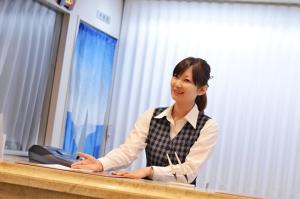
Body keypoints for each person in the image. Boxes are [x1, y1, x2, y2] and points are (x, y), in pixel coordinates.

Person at [71, 57, 218, 185]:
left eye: (186, 80)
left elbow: (189, 172)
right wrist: (101, 164)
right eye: (175, 76)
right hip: (147, 193)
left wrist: (149, 171)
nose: (177, 84)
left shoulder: (208, 127)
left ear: (202, 90)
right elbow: (128, 151)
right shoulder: (152, 115)